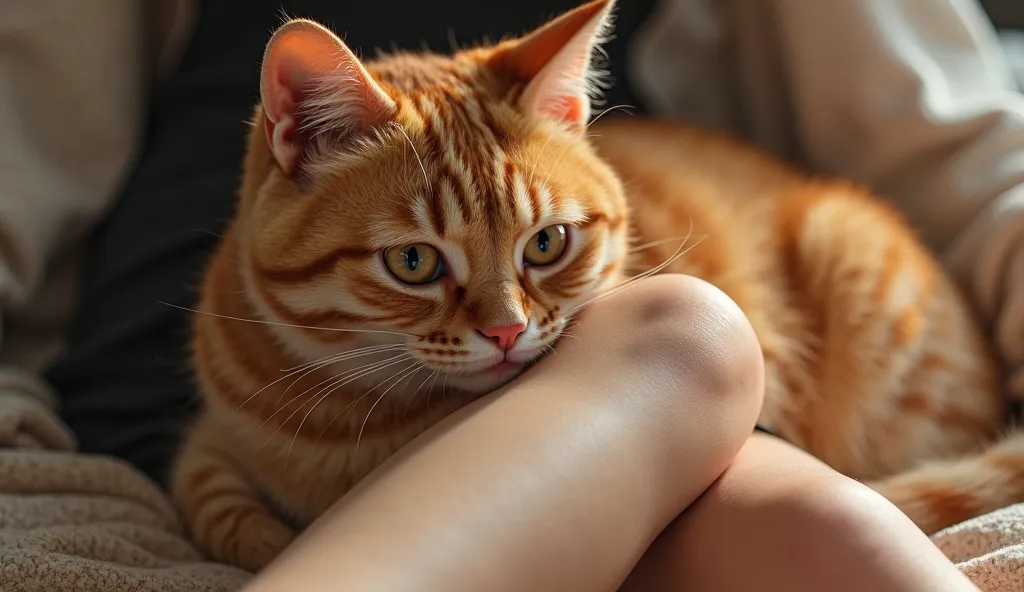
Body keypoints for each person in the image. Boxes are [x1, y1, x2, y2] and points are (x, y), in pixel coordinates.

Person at [0, 0, 1020, 590]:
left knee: (801, 494)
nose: (499, 323)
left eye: (543, 251)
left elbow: (966, 150)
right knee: (700, 353)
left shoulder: (538, 306)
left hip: (621, 387)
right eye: (420, 265)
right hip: (183, 363)